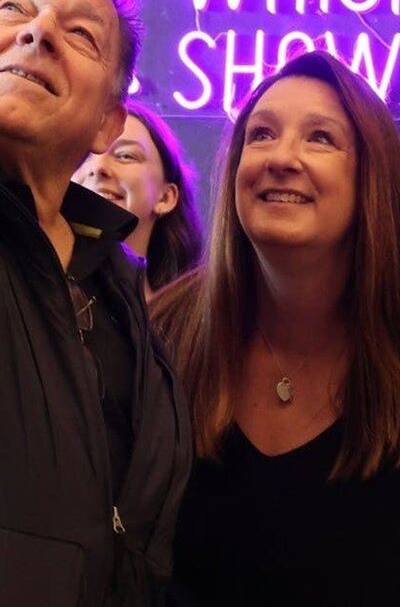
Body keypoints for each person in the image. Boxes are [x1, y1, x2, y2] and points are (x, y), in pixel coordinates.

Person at [151, 50, 400, 607]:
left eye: (320, 139)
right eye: (260, 134)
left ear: (372, 177)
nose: (281, 158)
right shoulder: (162, 333)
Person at [0, 0, 192, 607]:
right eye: (12, 10)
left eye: (80, 33)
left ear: (110, 120)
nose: (38, 32)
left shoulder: (121, 292)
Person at [75, 100, 203, 301]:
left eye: (125, 156)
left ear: (166, 197)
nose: (97, 168)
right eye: (83, 156)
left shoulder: (194, 322)